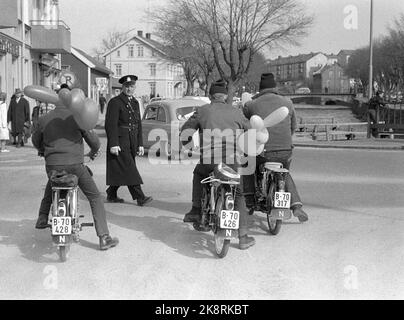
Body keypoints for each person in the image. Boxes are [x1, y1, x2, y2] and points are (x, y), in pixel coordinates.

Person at [32, 87, 119, 251]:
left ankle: (43, 217)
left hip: (52, 164)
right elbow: (94, 141)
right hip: (75, 165)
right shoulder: (78, 116)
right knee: (94, 196)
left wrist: (43, 150)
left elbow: (36, 140)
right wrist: (93, 151)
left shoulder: (44, 118)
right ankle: (104, 237)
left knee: (52, 184)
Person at [180, 80, 256, 250]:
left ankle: (196, 210)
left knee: (199, 175)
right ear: (226, 96)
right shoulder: (236, 112)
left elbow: (185, 132)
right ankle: (243, 237)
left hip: (209, 160)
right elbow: (250, 131)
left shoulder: (202, 111)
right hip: (232, 161)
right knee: (239, 194)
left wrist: (189, 147)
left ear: (210, 96)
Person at [242, 73, 308, 222]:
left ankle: (249, 201)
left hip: (263, 150)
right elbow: (293, 127)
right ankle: (296, 206)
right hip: (285, 150)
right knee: (284, 173)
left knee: (247, 164)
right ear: (275, 86)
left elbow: (244, 125)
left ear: (260, 88)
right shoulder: (288, 103)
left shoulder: (252, 104)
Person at [104, 75, 152, 206]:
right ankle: (140, 197)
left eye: (132, 86)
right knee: (130, 169)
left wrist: (140, 143)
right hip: (120, 141)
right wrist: (113, 143)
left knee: (123, 169)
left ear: (135, 87)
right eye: (127, 86)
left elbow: (138, 124)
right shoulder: (115, 102)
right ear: (122, 87)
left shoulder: (135, 102)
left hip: (132, 140)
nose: (129, 89)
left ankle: (111, 193)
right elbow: (110, 124)